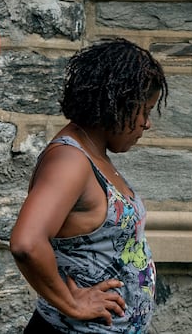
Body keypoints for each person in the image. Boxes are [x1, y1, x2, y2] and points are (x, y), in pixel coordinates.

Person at [10, 38, 169, 333]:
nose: (147, 124)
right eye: (145, 111)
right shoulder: (70, 160)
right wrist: (73, 304)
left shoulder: (93, 154)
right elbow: (26, 243)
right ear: (119, 105)